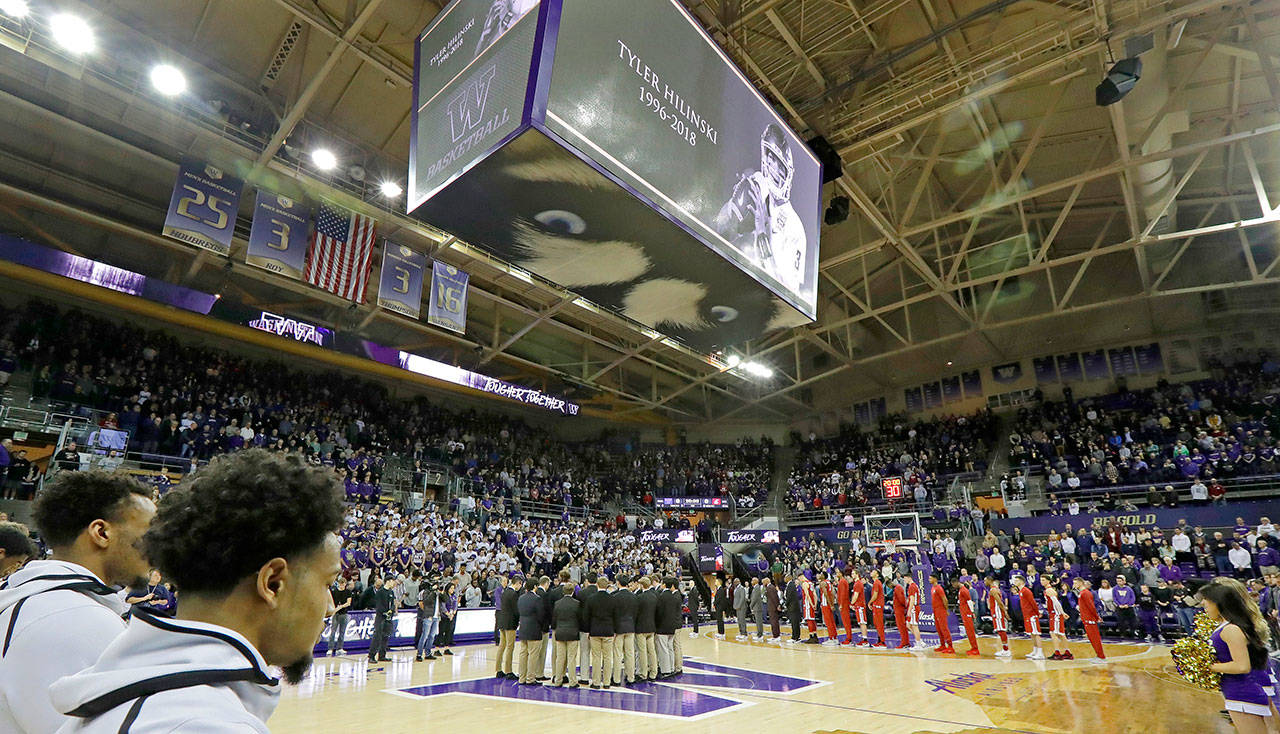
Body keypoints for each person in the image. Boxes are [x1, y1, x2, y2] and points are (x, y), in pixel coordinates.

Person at [48, 449, 344, 733]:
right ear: (273, 583)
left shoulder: (135, 685)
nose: (330, 606)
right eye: (328, 584)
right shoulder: (205, 724)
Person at [0, 470, 155, 734]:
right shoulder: (76, 617)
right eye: (149, 535)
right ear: (101, 532)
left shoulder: (38, 598)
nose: (157, 548)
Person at [1202, 577, 1277, 733]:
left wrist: (1206, 666)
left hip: (1246, 684)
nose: (1203, 603)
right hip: (1241, 685)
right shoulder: (1233, 624)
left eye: (1207, 599)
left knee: (1269, 723)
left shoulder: (1233, 627)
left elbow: (1242, 665)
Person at [584, 573, 615, 689]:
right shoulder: (612, 599)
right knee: (608, 657)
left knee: (596, 657)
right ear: (607, 586)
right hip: (608, 630)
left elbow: (586, 616)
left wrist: (587, 631)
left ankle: (596, 682)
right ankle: (607, 682)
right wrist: (614, 630)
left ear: (597, 585)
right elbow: (615, 616)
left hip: (595, 631)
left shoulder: (591, 599)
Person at [551, 582, 580, 688]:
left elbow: (554, 620)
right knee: (572, 658)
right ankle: (573, 681)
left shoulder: (557, 603)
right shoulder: (577, 603)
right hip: (572, 633)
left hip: (560, 632)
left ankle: (558, 680)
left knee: (560, 658)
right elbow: (580, 619)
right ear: (573, 591)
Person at [611, 574, 637, 686]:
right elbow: (636, 613)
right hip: (630, 627)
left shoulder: (615, 597)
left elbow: (613, 615)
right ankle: (631, 677)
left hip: (618, 629)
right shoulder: (634, 596)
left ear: (618, 583)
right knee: (630, 654)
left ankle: (616, 679)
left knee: (617, 655)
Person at [1074, 577, 1106, 662]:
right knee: (1092, 639)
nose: (1074, 585)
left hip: (1090, 619)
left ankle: (1101, 656)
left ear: (1081, 583)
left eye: (1076, 583)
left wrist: (1096, 617)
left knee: (1095, 638)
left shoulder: (1085, 593)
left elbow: (1091, 607)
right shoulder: (1082, 593)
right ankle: (1099, 655)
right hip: (1086, 618)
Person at [517, 579, 543, 684]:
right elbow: (541, 615)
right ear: (535, 587)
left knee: (523, 653)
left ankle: (521, 678)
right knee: (533, 654)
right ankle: (530, 678)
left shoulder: (521, 598)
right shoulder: (537, 599)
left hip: (523, 628)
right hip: (534, 629)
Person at [1013, 575, 1044, 660]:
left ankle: (1040, 652)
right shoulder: (1021, 591)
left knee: (1036, 633)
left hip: (1032, 615)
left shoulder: (1026, 591)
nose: (1014, 582)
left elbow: (1033, 602)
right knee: (1032, 634)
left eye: (1016, 580)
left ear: (1021, 581)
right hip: (1027, 615)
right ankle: (1035, 650)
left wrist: (1037, 613)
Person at [575, 573, 598, 684]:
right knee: (598, 655)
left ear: (587, 581)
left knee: (584, 652)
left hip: (584, 627)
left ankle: (584, 677)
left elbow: (577, 611)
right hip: (597, 628)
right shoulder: (599, 593)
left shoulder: (581, 593)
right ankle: (596, 677)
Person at [495, 572, 519, 679]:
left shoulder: (505, 592)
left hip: (502, 621)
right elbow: (516, 610)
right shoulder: (513, 594)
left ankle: (498, 669)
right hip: (510, 623)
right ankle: (509, 670)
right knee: (510, 646)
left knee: (502, 646)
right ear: (518, 583)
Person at [367, 577, 396, 662]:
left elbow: (393, 603)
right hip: (380, 617)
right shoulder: (380, 592)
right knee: (377, 636)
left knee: (386, 636)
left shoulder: (391, 592)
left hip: (389, 617)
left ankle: (382, 655)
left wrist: (392, 611)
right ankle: (371, 656)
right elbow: (379, 605)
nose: (393, 583)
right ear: (388, 581)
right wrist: (384, 612)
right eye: (392, 581)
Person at [634, 576, 658, 681]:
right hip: (651, 627)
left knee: (642, 652)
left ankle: (643, 673)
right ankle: (654, 673)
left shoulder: (639, 598)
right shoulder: (654, 596)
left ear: (642, 585)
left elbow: (636, 613)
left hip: (641, 628)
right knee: (651, 651)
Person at [1043, 583, 1071, 660]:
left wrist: (1062, 612)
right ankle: (1067, 652)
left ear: (1048, 581)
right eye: (1041, 580)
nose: (1042, 582)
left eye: (1044, 580)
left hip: (1055, 614)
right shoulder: (1048, 590)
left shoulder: (1049, 590)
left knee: (1054, 633)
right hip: (1055, 614)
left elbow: (1056, 603)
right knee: (1061, 634)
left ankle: (1057, 653)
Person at [416, 576, 441, 662]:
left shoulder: (438, 593)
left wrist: (441, 592)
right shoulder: (426, 592)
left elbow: (445, 599)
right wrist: (433, 591)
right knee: (424, 636)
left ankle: (428, 653)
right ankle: (419, 654)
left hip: (436, 617)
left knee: (432, 636)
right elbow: (426, 602)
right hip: (428, 616)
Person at [953, 577, 980, 655]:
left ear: (957, 582)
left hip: (967, 613)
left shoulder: (964, 590)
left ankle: (975, 649)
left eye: (953, 584)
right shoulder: (961, 590)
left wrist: (972, 612)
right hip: (964, 613)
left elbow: (969, 602)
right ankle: (973, 648)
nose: (953, 586)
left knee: (970, 631)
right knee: (969, 632)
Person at [987, 576, 1011, 658]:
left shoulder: (993, 590)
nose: (984, 582)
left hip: (998, 613)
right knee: (1000, 630)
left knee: (1001, 630)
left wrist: (1005, 612)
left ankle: (1006, 650)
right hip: (996, 612)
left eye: (985, 580)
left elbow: (1000, 602)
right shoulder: (994, 589)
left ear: (990, 581)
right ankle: (1005, 649)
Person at [929, 574, 954, 653]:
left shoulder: (939, 588)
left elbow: (944, 599)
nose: (929, 579)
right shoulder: (932, 588)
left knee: (944, 628)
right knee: (939, 629)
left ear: (935, 579)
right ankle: (942, 645)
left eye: (930, 578)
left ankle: (950, 646)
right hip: (935, 610)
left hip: (941, 610)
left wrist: (946, 609)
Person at [870, 570, 888, 647]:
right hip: (876, 604)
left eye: (873, 571)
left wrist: (869, 602)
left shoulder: (877, 582)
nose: (871, 572)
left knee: (879, 623)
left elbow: (875, 595)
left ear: (877, 574)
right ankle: (879, 640)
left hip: (878, 605)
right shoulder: (875, 583)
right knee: (877, 623)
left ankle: (882, 641)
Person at [784, 573, 802, 643]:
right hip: (793, 606)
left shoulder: (791, 585)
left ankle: (795, 638)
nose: (784, 579)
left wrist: (785, 604)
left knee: (794, 623)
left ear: (788, 578)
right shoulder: (791, 585)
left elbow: (789, 597)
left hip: (793, 607)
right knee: (795, 623)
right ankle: (797, 637)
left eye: (785, 577)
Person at [892, 576, 910, 649]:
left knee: (901, 626)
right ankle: (905, 642)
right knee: (901, 626)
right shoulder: (897, 588)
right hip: (899, 609)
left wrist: (905, 606)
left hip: (899, 609)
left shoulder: (898, 588)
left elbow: (902, 599)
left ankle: (905, 643)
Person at [765, 575, 781, 643]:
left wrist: (777, 606)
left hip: (772, 607)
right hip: (773, 607)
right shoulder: (771, 587)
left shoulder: (770, 587)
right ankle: (776, 635)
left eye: (763, 582)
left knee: (774, 622)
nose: (763, 583)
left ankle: (776, 636)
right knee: (774, 621)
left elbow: (774, 598)